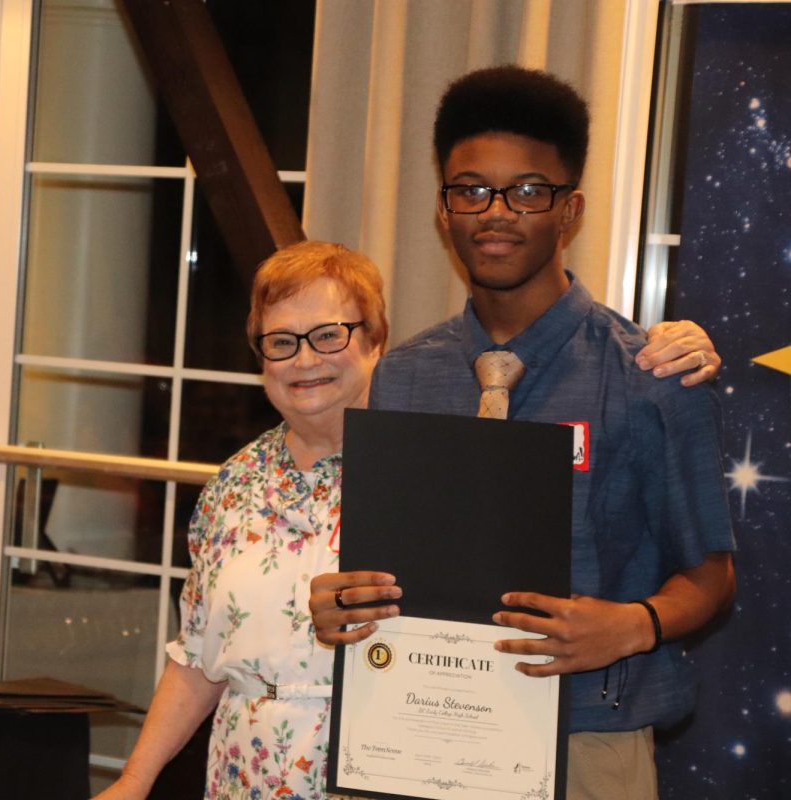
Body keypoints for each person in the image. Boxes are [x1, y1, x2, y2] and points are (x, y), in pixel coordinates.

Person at [95, 240, 722, 800]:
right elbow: (199, 656)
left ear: (376, 341)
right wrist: (134, 779)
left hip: (400, 772)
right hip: (245, 774)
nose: (304, 359)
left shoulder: (443, 456)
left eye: (329, 334)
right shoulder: (233, 485)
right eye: (280, 341)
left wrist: (678, 342)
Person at [309, 67, 735, 800]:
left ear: (568, 210)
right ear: (445, 212)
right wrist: (340, 603)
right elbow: (385, 564)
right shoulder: (406, 375)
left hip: (588, 745)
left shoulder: (651, 374)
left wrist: (631, 625)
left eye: (528, 191)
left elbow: (711, 577)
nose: (495, 212)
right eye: (470, 189)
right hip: (415, 741)